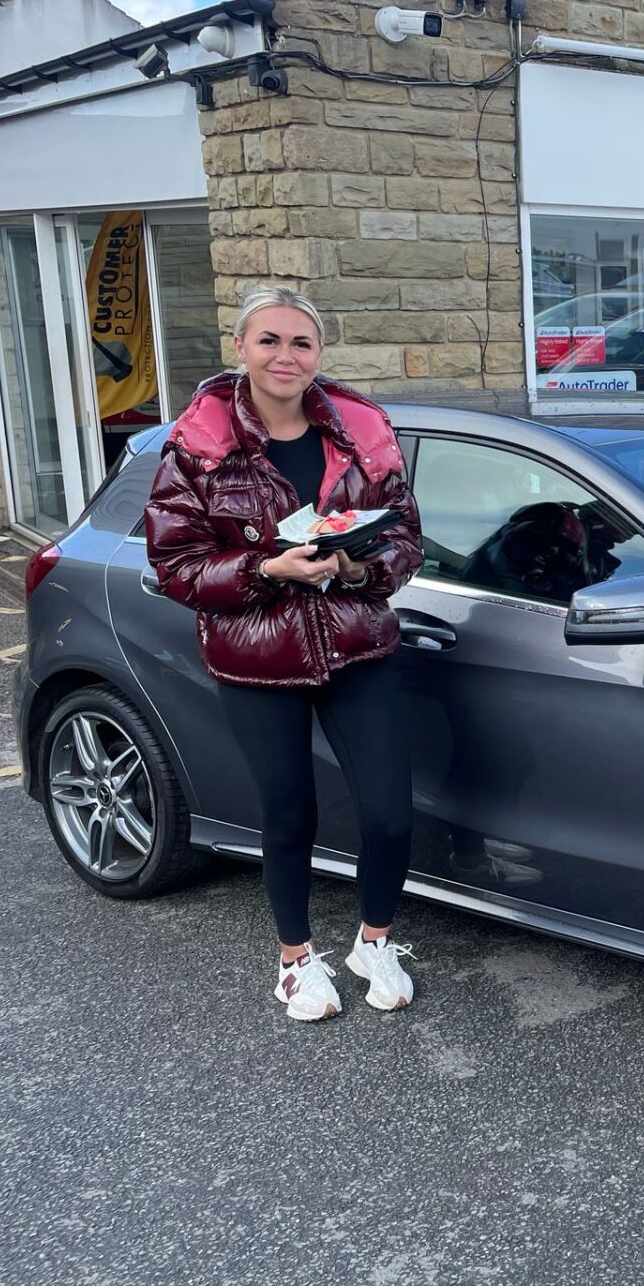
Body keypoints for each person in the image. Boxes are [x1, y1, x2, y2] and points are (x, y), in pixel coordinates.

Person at [144, 286, 425, 1022]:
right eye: (269, 341)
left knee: (391, 813)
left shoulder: (363, 431)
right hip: (256, 656)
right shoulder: (199, 446)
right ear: (240, 348)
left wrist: (358, 568)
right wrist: (266, 570)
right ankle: (296, 961)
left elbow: (406, 538)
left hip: (357, 646)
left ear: (318, 355)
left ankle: (375, 941)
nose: (285, 356)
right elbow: (176, 567)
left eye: (301, 343)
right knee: (289, 815)